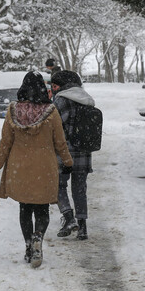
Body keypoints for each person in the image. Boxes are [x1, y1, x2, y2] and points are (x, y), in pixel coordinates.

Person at [0, 71, 73, 268]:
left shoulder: (12, 111)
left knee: (25, 208)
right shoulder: (51, 112)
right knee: (42, 208)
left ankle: (28, 245)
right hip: (45, 166)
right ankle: (38, 237)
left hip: (20, 168)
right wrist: (68, 163)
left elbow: (5, 144)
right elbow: (60, 143)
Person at [50, 70, 95, 240]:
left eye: (55, 85)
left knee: (58, 185)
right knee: (79, 188)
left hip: (64, 151)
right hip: (83, 151)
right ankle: (82, 226)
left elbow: (53, 125)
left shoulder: (61, 101)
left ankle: (68, 217)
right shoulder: (87, 99)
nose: (53, 89)